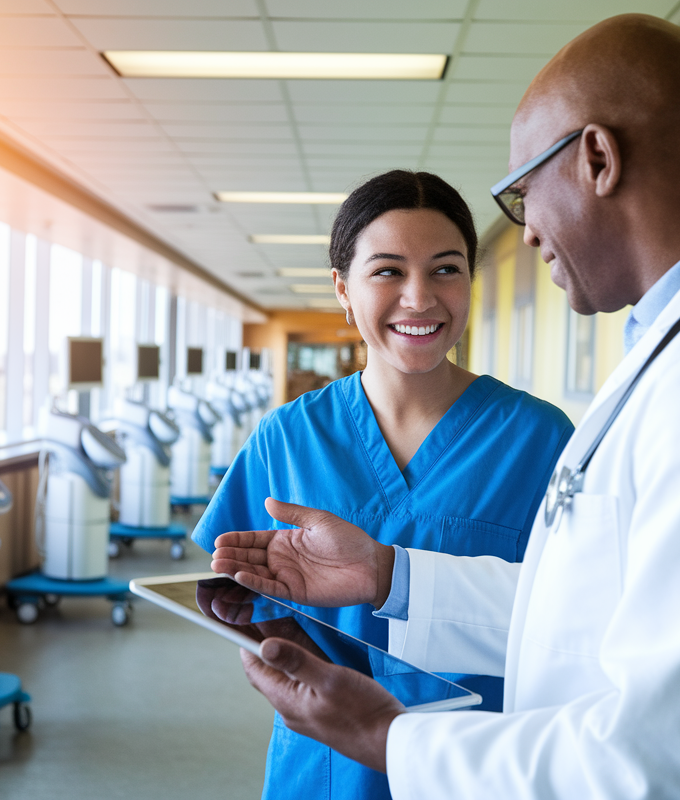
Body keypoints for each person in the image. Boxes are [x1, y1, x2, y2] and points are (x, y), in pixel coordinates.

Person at [211, 14, 680, 800]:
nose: (531, 232)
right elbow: (587, 615)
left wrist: (387, 735)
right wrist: (388, 575)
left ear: (597, 159)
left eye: (520, 193)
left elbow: (662, 770)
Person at [191, 169, 574, 800]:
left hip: (478, 765)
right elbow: (237, 596)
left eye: (446, 269)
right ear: (344, 289)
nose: (419, 298)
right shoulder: (287, 437)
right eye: (388, 271)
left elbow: (575, 616)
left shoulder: (541, 440)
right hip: (326, 768)